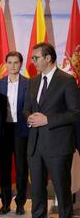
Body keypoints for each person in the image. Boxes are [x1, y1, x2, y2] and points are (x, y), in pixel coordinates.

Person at [23, 42, 80, 218]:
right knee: (37, 193)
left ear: (48, 58)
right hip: (34, 146)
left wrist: (47, 120)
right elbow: (26, 109)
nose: (32, 61)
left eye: (36, 58)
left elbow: (75, 113)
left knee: (62, 193)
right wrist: (29, 118)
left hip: (58, 147)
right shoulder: (32, 81)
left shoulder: (67, 80)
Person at [0, 51, 29, 215]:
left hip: (22, 130)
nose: (13, 65)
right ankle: (5, 202)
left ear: (20, 64)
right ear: (6, 64)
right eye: (10, 62)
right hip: (4, 131)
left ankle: (20, 203)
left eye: (16, 62)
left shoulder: (29, 84)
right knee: (4, 169)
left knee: (22, 169)